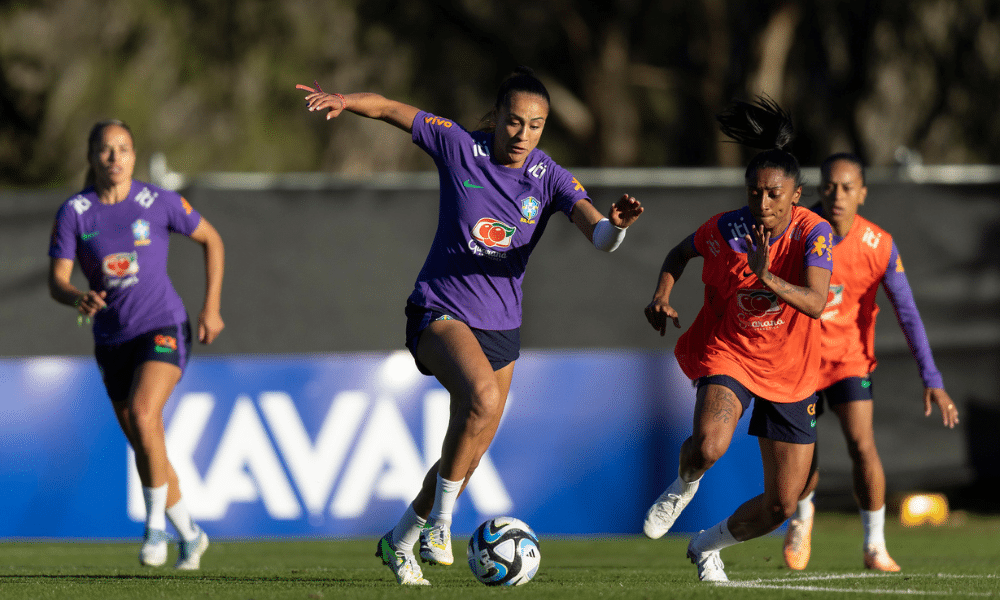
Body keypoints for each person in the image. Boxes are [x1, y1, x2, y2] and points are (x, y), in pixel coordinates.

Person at [297, 67, 643, 586]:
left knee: (468, 456)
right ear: (497, 116)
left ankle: (399, 541)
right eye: (514, 121)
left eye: (535, 125)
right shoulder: (459, 145)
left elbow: (598, 236)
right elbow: (391, 108)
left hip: (501, 327)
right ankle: (440, 525)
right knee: (482, 398)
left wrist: (615, 228)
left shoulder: (549, 176)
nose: (523, 134)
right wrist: (345, 100)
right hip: (440, 310)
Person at [642, 96, 832, 582]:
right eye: (754, 193)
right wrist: (662, 295)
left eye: (773, 194)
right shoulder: (726, 229)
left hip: (793, 371)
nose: (762, 204)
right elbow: (678, 254)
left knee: (782, 505)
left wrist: (767, 276)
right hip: (733, 354)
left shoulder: (814, 233)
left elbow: (815, 302)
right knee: (708, 446)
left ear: (796, 195)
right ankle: (685, 484)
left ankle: (707, 545)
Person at [48, 120, 225, 570]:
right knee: (147, 444)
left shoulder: (158, 201)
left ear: (134, 155)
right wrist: (76, 296)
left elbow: (211, 239)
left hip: (163, 325)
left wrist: (211, 307)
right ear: (91, 157)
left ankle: (154, 529)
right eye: (105, 149)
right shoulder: (75, 212)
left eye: (123, 148)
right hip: (111, 340)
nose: (115, 157)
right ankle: (191, 534)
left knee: (146, 414)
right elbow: (58, 281)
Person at [781, 153, 960, 572]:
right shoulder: (798, 232)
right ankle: (803, 518)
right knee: (804, 456)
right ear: (818, 190)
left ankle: (874, 545)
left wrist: (932, 377)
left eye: (847, 187)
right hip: (801, 360)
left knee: (862, 445)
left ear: (862, 193)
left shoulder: (878, 244)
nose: (837, 195)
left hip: (849, 361)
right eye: (830, 186)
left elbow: (907, 312)